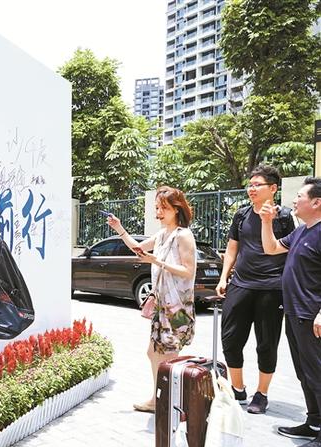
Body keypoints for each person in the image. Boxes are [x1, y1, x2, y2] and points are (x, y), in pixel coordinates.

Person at [108, 186, 197, 413]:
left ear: (176, 209)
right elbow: (138, 249)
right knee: (154, 351)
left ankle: (168, 402)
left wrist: (156, 261)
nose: (158, 213)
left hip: (177, 307)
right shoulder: (163, 234)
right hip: (162, 304)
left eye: (163, 208)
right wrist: (119, 228)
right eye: (157, 208)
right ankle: (161, 398)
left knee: (169, 354)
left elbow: (188, 271)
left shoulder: (183, 235)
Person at [216, 165, 296, 414]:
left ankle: (261, 394)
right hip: (241, 284)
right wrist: (223, 277)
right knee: (230, 339)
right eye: (250, 185)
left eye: (257, 185)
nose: (251, 189)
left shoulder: (284, 217)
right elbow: (232, 248)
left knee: (266, 344)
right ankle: (238, 388)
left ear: (272, 188)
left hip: (272, 288)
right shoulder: (241, 215)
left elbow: (292, 251)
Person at [260, 177, 321, 447]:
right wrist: (266, 222)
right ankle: (314, 423)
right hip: (294, 312)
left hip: (312, 316)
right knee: (305, 373)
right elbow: (271, 248)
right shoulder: (301, 232)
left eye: (300, 196)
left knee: (317, 374)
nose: (294, 200)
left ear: (316, 202)